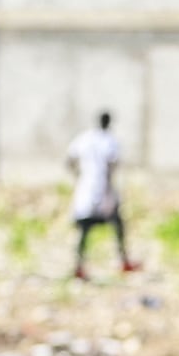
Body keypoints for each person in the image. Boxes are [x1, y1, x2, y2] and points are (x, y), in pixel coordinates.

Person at [66, 111, 138, 280]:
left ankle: (79, 265)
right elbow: (112, 165)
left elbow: (69, 159)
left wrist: (78, 175)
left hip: (86, 188)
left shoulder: (84, 139)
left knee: (85, 228)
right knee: (115, 223)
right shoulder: (109, 141)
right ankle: (122, 260)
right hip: (102, 188)